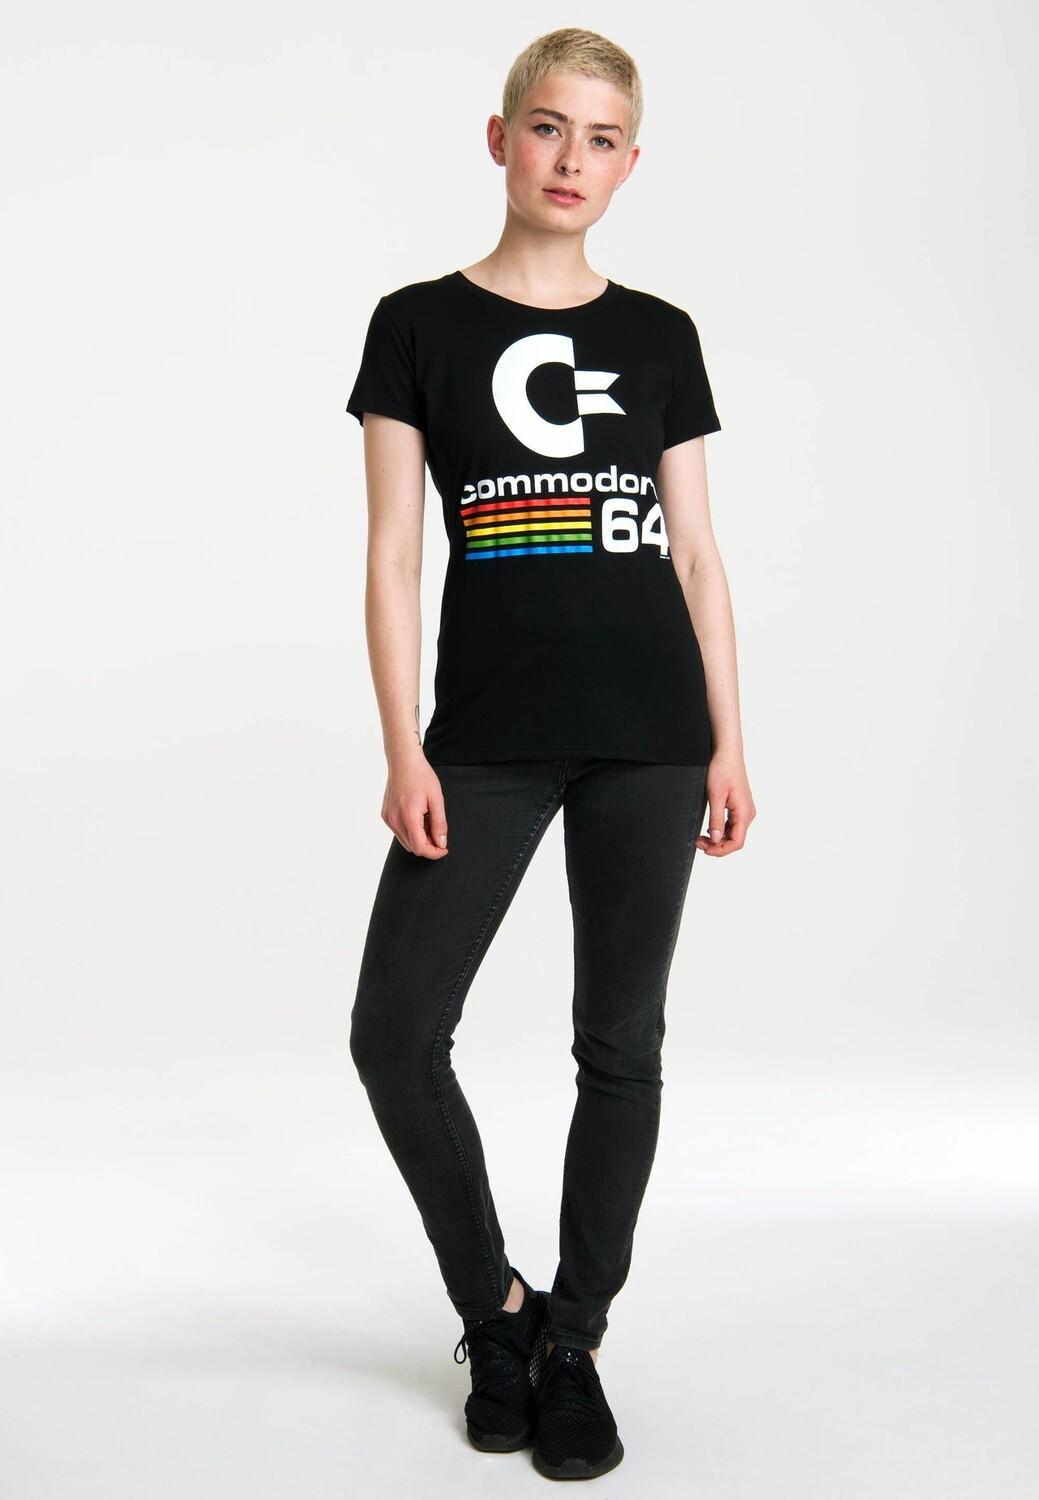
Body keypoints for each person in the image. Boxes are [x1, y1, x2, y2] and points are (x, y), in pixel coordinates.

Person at [344, 26, 755, 1482]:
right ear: (500, 137)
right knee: (395, 1034)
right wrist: (405, 745)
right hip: (487, 740)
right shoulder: (416, 324)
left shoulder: (661, 335)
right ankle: (496, 1313)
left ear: (630, 164)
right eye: (547, 128)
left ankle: (574, 1338)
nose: (571, 159)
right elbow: (395, 555)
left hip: (651, 737)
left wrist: (729, 741)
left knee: (619, 1045)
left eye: (601, 139)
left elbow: (695, 552)